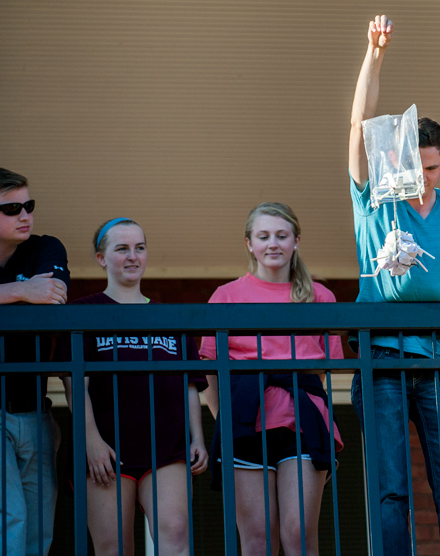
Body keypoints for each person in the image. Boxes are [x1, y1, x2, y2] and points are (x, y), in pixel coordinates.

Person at [347, 15, 440, 556]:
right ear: (399, 158)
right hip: (380, 357)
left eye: (432, 168)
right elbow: (358, 125)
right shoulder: (373, 197)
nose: (423, 176)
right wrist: (374, 54)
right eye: (415, 165)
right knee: (390, 488)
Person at [200, 202, 344, 556]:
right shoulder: (226, 296)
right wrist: (226, 418)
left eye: (282, 235)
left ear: (296, 240)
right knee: (256, 540)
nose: (273, 244)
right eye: (263, 236)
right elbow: (209, 369)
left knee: (298, 535)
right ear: (249, 244)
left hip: (302, 423)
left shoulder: (319, 296)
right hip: (246, 424)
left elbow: (328, 365)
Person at [58, 217, 207, 556]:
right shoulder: (82, 313)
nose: (132, 256)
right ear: (101, 258)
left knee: (176, 534)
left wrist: (197, 437)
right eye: (122, 248)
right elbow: (73, 384)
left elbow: (190, 385)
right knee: (113, 547)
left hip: (168, 447)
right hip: (107, 450)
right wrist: (91, 441)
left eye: (139, 248)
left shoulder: (171, 318)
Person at [0, 168, 68, 556]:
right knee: (10, 516)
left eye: (29, 205)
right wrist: (23, 290)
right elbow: (36, 294)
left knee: (39, 525)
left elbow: (53, 299)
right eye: (12, 208)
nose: (25, 214)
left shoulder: (47, 247)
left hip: (36, 411)